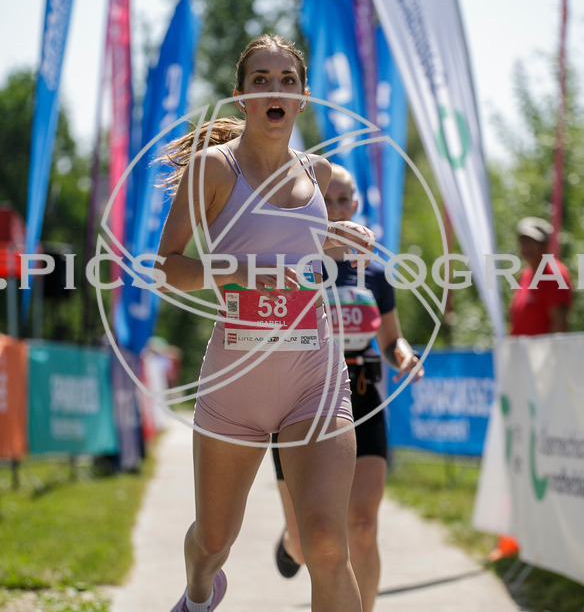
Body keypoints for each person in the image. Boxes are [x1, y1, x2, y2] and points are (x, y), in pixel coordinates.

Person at [154, 34, 374, 612]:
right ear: (241, 98)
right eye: (261, 80)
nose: (274, 90)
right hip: (237, 384)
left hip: (313, 377)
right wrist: (245, 271)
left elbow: (307, 252)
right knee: (212, 540)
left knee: (327, 543)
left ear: (301, 98)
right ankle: (200, 594)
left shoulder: (321, 174)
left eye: (286, 81)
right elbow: (166, 268)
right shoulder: (214, 169)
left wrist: (345, 241)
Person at [269, 164, 423, 611]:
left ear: (355, 206)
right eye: (327, 200)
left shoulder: (374, 273)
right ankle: (289, 541)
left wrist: (404, 357)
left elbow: (392, 340)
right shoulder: (294, 266)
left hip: (361, 396)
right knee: (305, 541)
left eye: (344, 201)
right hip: (300, 401)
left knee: (361, 526)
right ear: (314, 206)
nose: (336, 209)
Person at [489, 216, 572, 561]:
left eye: (533, 240)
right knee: (520, 459)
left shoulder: (554, 273)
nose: (526, 246)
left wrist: (550, 377)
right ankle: (518, 538)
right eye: (522, 239)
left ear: (547, 243)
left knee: (543, 461)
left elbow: (559, 329)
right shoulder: (526, 275)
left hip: (543, 384)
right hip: (521, 384)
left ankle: (547, 540)